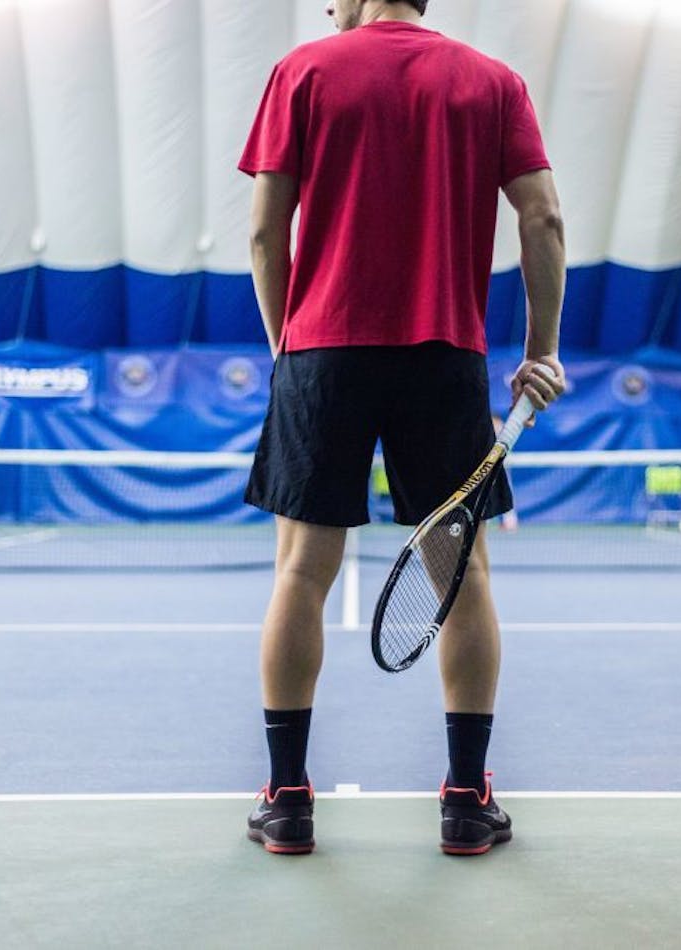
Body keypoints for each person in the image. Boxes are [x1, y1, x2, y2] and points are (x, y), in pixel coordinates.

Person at [238, 0, 566, 856]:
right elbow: (544, 220)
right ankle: (465, 801)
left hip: (323, 352)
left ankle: (287, 802)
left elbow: (265, 230)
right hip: (442, 355)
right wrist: (541, 353)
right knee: (460, 577)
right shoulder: (494, 84)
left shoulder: (303, 71)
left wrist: (288, 344)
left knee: (302, 571)